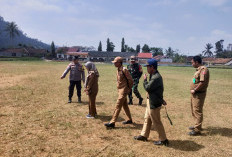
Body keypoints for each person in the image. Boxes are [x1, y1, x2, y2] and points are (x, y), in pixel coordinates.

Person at [134, 58, 169, 146]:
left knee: (156, 122)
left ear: (152, 67)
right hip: (151, 101)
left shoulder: (156, 77)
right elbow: (156, 90)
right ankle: (144, 135)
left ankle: (164, 140)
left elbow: (148, 88)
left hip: (154, 103)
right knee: (147, 119)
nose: (147, 69)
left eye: (148, 67)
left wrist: (145, 80)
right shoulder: (153, 75)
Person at [104, 56, 133, 128]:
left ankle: (112, 122)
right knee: (125, 105)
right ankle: (129, 119)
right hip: (120, 90)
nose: (114, 64)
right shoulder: (118, 70)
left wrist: (129, 89)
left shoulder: (124, 70)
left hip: (124, 90)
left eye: (115, 62)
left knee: (118, 105)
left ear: (120, 63)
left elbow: (130, 80)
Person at [189, 56, 210, 136]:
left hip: (199, 94)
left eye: (192, 62)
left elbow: (202, 82)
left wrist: (195, 90)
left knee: (197, 111)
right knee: (194, 110)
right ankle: (196, 125)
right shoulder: (198, 70)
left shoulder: (203, 70)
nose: (192, 64)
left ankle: (197, 130)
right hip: (195, 94)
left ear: (197, 62)